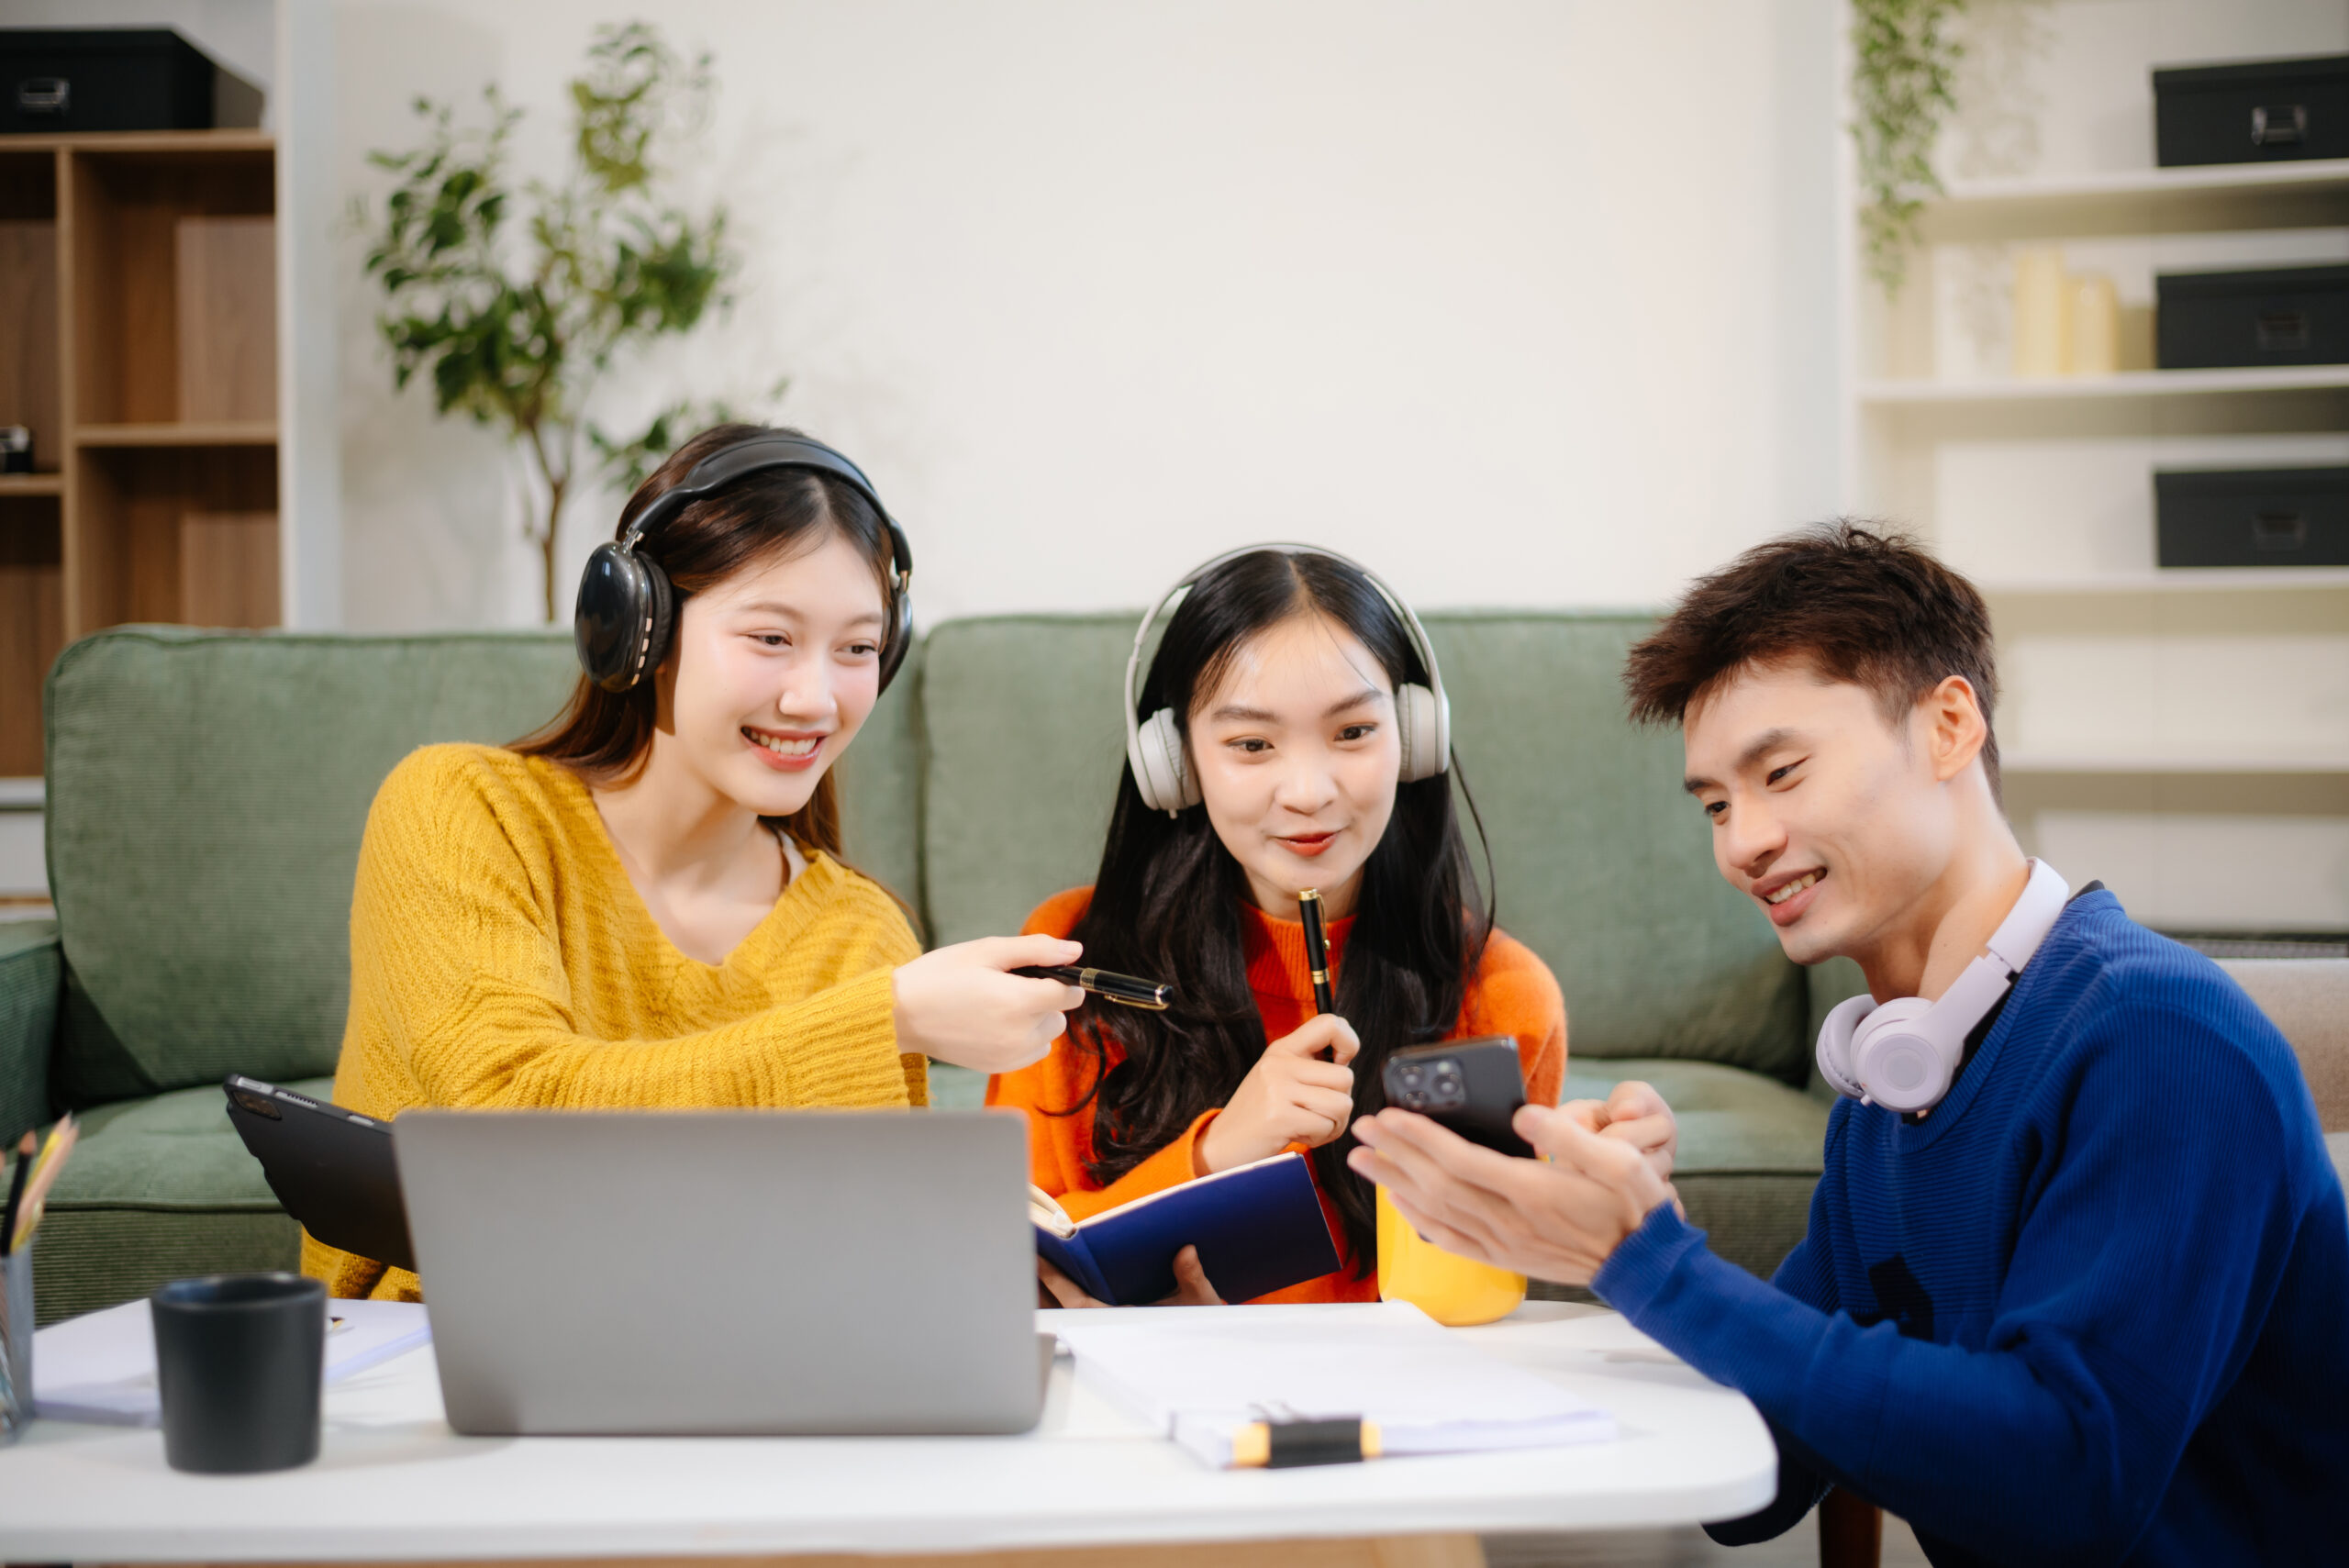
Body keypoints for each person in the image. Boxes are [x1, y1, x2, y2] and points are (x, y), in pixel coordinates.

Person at [1348, 523, 2349, 1565]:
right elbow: (1756, 1485)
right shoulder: (1890, 1087)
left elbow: (2068, 1482)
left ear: (1949, 724)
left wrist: (1644, 1259)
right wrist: (1590, 1243)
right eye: (1716, 804)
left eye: (1781, 771)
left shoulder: (2159, 1043)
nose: (1742, 844)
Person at [306, 426, 1085, 1300]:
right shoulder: (463, 809)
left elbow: (850, 1264)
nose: (816, 698)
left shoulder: (858, 934)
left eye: (859, 649)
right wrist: (886, 1020)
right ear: (638, 630)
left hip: (740, 1361)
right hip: (443, 1355)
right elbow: (502, 1119)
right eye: (770, 637)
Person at [988, 545, 1574, 1305]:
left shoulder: (1504, 996)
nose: (1307, 791)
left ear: (1415, 739)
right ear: (1174, 764)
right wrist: (1217, 1152)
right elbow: (1014, 1263)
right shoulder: (1070, 955)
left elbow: (1474, 1296)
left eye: (1354, 732)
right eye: (1252, 745)